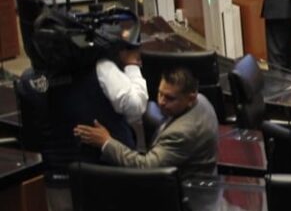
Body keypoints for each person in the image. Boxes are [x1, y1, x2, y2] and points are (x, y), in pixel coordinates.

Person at [75, 66, 218, 181]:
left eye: (170, 98)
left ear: (190, 98)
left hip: (186, 196)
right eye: (160, 93)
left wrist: (106, 142)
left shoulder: (182, 133)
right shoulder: (201, 100)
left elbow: (146, 167)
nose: (161, 102)